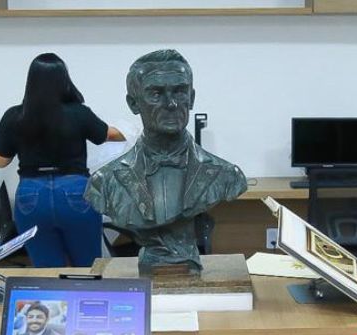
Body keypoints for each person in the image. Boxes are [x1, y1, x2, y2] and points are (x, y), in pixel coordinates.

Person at [86, 49, 248, 274]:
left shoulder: (227, 175)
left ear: (191, 98)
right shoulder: (105, 182)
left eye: (180, 92)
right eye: (155, 93)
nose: (171, 103)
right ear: (133, 103)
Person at [0, 53, 126, 268]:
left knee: (46, 272)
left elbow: (0, 162)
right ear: (64, 80)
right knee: (87, 267)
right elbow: (108, 135)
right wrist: (134, 131)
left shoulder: (14, 116)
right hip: (75, 191)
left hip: (31, 196)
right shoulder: (78, 113)